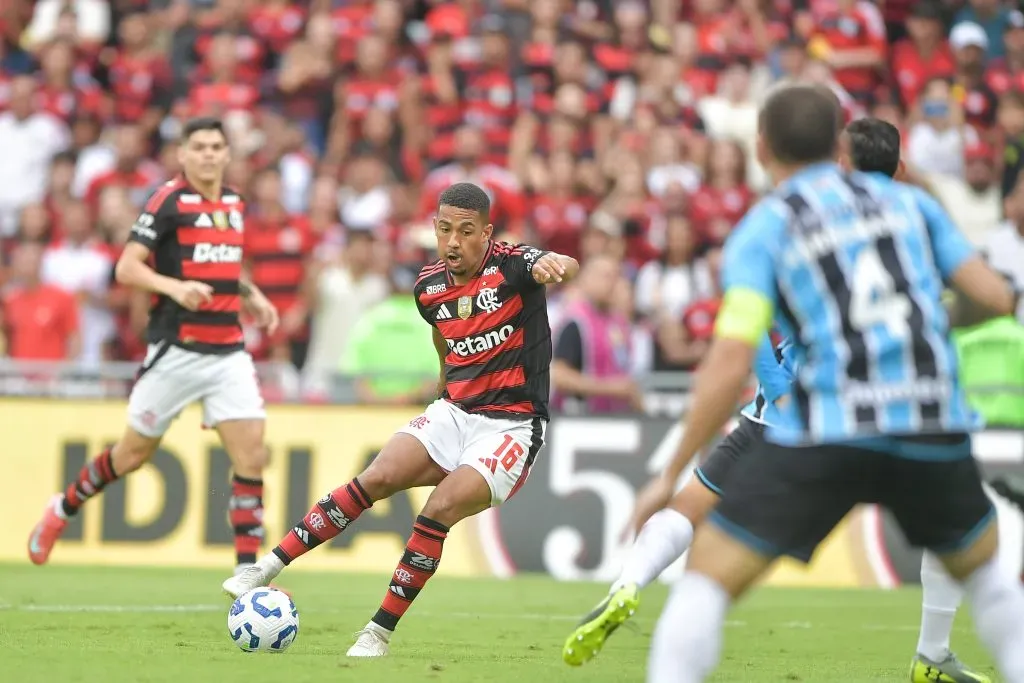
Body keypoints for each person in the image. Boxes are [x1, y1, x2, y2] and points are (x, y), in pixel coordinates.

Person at [562, 117, 992, 683]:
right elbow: (976, 300)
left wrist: (777, 391)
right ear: (902, 171)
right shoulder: (909, 222)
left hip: (786, 415)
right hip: (889, 409)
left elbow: (748, 327)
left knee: (697, 523)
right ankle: (933, 651)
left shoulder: (794, 217)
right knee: (956, 529)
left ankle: (630, 584)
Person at [222, 182, 580, 657]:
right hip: (454, 410)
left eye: (466, 232)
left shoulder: (512, 266)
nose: (453, 241)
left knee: (438, 509)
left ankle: (377, 633)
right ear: (434, 228)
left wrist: (557, 263)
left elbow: (559, 264)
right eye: (445, 229)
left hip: (512, 425)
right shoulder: (428, 288)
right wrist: (442, 384)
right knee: (377, 476)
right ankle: (265, 567)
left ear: (487, 233)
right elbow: (443, 338)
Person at [27, 117, 281, 578]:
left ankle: (246, 576)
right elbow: (126, 268)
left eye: (216, 146)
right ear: (182, 154)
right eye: (198, 146)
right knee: (131, 456)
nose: (207, 154)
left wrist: (251, 294)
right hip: (176, 349)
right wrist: (174, 287)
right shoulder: (167, 201)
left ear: (227, 154)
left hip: (227, 351)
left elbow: (224, 265)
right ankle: (63, 506)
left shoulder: (235, 202)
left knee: (251, 456)